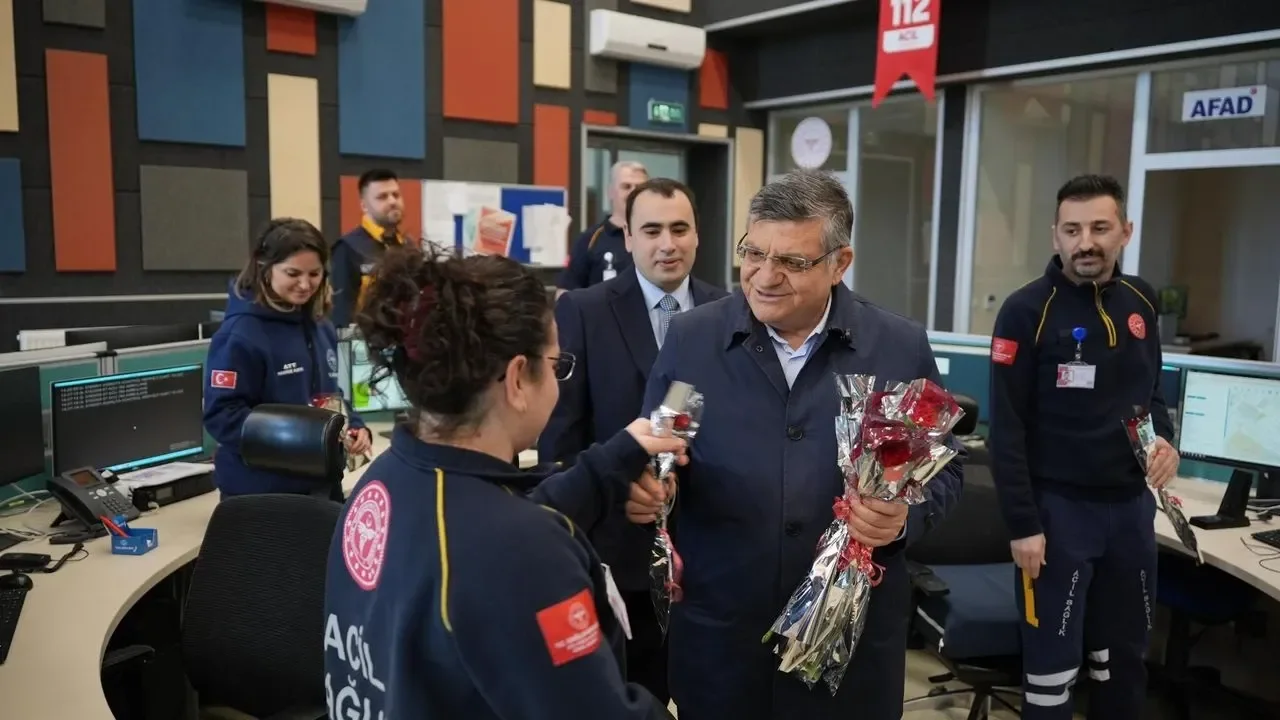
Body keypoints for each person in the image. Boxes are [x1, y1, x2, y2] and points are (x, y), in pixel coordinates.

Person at [639, 170, 965, 720]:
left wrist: (905, 517)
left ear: (840, 263)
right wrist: (656, 479)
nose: (765, 276)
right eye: (753, 253)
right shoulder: (694, 340)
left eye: (792, 262)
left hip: (848, 648)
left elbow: (946, 473)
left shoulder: (896, 348)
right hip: (723, 643)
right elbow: (662, 445)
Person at [323, 243, 685, 719]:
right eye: (556, 366)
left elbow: (496, 521)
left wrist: (612, 460)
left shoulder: (386, 481)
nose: (559, 382)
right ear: (517, 379)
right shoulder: (519, 549)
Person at [988, 174, 1179, 720]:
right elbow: (1007, 428)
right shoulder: (1026, 311)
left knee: (1124, 662)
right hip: (1057, 515)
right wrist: (1023, 524)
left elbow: (1152, 393)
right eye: (1072, 230)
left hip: (1131, 513)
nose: (1084, 242)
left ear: (1125, 231)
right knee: (1052, 671)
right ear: (1055, 236)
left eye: (1099, 227)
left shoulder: (1142, 300)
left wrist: (1164, 441)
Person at [539, 177, 728, 702]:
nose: (666, 243)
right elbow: (562, 435)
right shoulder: (583, 309)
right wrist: (613, 486)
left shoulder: (731, 312)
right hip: (622, 554)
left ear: (697, 235)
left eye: (679, 228)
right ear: (627, 238)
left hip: (711, 552)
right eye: (651, 230)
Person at [204, 218, 372, 498]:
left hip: (320, 482)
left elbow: (332, 394)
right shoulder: (240, 334)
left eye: (315, 274)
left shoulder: (321, 325)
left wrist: (353, 424)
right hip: (263, 493)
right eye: (293, 273)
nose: (305, 285)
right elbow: (223, 417)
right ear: (264, 268)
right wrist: (304, 436)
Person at [557, 160, 649, 297]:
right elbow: (565, 293)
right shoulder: (589, 239)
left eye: (639, 187)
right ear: (610, 192)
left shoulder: (660, 237)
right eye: (626, 186)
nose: (633, 192)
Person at [331, 168, 407, 327]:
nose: (392, 201)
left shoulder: (408, 247)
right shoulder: (348, 248)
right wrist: (349, 352)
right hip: (366, 346)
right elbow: (341, 315)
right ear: (364, 206)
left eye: (396, 195)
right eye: (382, 197)